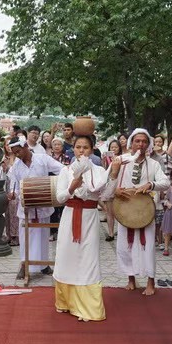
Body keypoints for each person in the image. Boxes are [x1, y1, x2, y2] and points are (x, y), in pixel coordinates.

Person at [53, 135, 117, 321]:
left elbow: (106, 195)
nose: (82, 151)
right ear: (73, 149)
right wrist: (72, 186)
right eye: (78, 147)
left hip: (89, 217)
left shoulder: (98, 170)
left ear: (92, 150)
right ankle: (65, 301)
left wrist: (113, 174)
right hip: (69, 216)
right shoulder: (66, 171)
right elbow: (60, 198)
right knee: (66, 257)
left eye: (86, 147)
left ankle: (89, 307)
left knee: (89, 259)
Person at [103, 128, 170, 295]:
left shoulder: (153, 164)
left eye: (144, 141)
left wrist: (151, 185)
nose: (141, 144)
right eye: (137, 141)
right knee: (125, 246)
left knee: (148, 246)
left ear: (148, 144)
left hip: (145, 212)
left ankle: (150, 281)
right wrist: (116, 190)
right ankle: (131, 279)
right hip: (124, 211)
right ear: (131, 143)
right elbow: (105, 187)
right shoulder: (120, 161)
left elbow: (166, 182)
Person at [7, 136, 65, 278]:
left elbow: (62, 170)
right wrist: (12, 194)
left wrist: (56, 186)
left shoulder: (42, 159)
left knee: (43, 236)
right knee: (25, 237)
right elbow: (13, 186)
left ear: (26, 146)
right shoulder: (16, 166)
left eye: (18, 151)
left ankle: (44, 265)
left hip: (43, 205)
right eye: (14, 153)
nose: (17, 155)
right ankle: (24, 264)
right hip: (26, 208)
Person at [100, 140, 122, 241]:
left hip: (120, 185)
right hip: (109, 185)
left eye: (116, 147)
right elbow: (104, 172)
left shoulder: (124, 158)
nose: (113, 149)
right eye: (111, 147)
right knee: (109, 211)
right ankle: (111, 233)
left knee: (121, 210)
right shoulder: (107, 159)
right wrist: (104, 161)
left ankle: (122, 231)